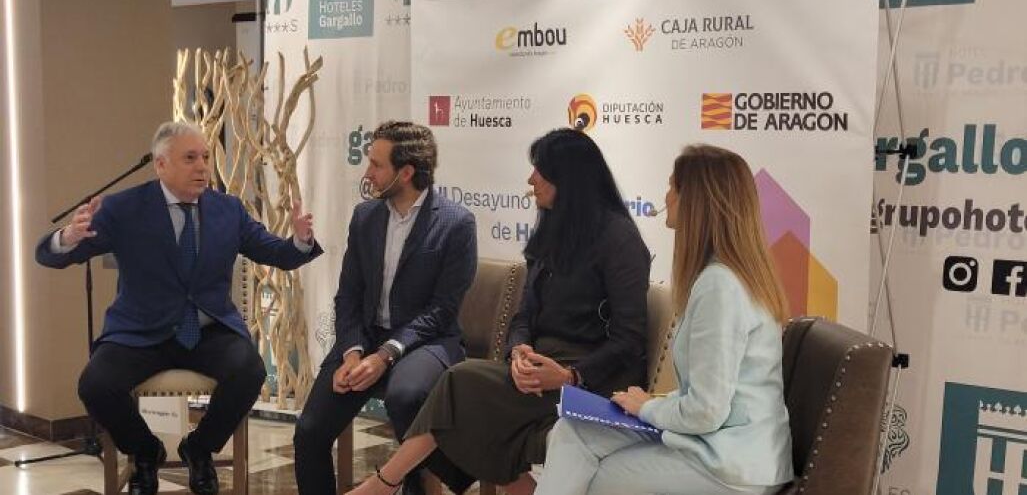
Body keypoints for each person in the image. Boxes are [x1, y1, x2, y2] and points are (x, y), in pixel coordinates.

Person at [345, 128, 650, 495]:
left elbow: (630, 339)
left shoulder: (619, 239)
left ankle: (382, 484)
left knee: (460, 386)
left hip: (593, 382)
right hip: (538, 368)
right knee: (462, 397)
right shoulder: (553, 228)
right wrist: (518, 351)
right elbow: (524, 316)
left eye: (539, 170)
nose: (531, 180)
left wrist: (570, 376)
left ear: (568, 179)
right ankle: (387, 484)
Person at [36, 121, 323, 495]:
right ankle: (144, 452)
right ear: (161, 164)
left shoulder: (228, 209)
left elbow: (277, 254)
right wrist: (67, 237)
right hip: (140, 331)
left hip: (208, 330)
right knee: (96, 385)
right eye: (190, 158)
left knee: (249, 372)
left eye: (205, 157)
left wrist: (300, 241)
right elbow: (50, 256)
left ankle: (199, 448)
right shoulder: (124, 208)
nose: (202, 166)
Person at [534, 144, 794, 495]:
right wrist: (652, 404)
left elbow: (706, 411)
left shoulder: (720, 286)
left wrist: (648, 409)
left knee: (588, 477)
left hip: (733, 465)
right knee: (570, 432)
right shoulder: (726, 277)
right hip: (722, 446)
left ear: (696, 201)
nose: (667, 196)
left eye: (673, 187)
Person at [294, 121, 477, 495]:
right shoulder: (365, 217)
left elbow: (442, 310)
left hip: (426, 342)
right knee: (309, 432)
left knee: (406, 397)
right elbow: (348, 295)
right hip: (364, 338)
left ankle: (428, 479)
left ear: (405, 173)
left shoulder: (456, 223)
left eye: (376, 165)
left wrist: (385, 355)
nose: (367, 174)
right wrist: (352, 352)